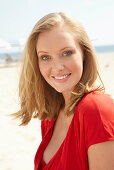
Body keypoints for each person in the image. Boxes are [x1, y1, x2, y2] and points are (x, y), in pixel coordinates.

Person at [14, 12, 114, 169]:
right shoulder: (50, 115)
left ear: (84, 54)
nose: (57, 67)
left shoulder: (97, 110)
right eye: (45, 57)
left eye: (67, 53)